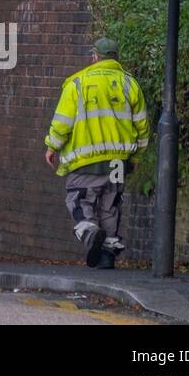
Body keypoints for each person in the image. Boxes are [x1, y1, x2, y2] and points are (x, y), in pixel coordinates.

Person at [44, 37, 150, 269]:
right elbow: (142, 126)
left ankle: (91, 234)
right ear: (116, 57)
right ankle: (107, 255)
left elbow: (63, 123)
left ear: (95, 57)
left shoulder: (77, 84)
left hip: (86, 162)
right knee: (110, 204)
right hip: (117, 163)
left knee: (80, 200)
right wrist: (137, 157)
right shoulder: (129, 84)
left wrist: (52, 146)